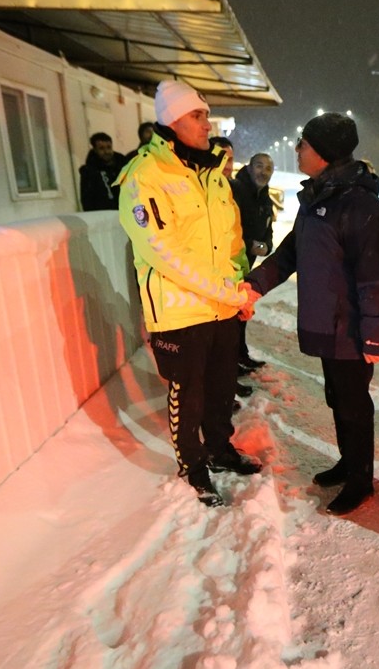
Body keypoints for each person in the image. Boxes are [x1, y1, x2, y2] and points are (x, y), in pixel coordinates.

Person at [114, 81, 262, 507]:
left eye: (206, 114)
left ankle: (219, 448)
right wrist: (226, 292)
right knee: (188, 392)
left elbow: (232, 238)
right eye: (198, 116)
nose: (207, 123)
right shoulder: (145, 176)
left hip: (221, 306)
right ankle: (193, 466)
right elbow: (165, 254)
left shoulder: (212, 170)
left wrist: (240, 286)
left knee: (220, 388)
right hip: (180, 312)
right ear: (172, 120)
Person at [242, 113, 379, 515]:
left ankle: (361, 480)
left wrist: (376, 335)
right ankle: (349, 463)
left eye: (304, 145)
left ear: (324, 154)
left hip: (350, 326)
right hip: (327, 323)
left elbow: (376, 276)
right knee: (337, 398)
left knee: (353, 404)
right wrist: (255, 283)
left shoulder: (358, 205)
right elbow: (293, 251)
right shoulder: (317, 199)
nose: (297, 150)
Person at [207, 136, 260, 398]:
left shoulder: (232, 187)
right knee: (217, 342)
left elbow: (241, 230)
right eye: (221, 157)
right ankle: (222, 393)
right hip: (213, 277)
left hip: (235, 270)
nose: (226, 164)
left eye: (230, 158)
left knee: (232, 332)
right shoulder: (202, 188)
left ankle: (230, 383)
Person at [231, 152, 277, 373]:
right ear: (249, 167)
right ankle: (231, 363)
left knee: (242, 313)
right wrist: (249, 243)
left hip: (247, 266)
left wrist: (267, 245)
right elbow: (228, 228)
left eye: (268, 169)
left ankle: (241, 355)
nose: (263, 172)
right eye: (259, 166)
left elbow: (268, 229)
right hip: (228, 265)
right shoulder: (236, 191)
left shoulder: (265, 197)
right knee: (229, 318)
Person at [78, 132, 127, 211]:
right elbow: (87, 199)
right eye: (101, 148)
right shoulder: (89, 172)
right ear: (94, 150)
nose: (106, 151)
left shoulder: (122, 165)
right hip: (104, 216)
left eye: (109, 147)